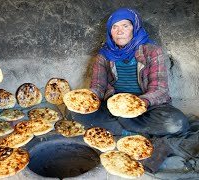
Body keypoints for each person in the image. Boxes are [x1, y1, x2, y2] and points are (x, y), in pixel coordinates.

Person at [66, 8, 192, 173]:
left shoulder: (152, 51)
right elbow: (98, 86)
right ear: (110, 31)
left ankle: (123, 129)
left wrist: (139, 104)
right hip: (114, 105)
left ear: (134, 27)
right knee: (75, 113)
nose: (120, 31)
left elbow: (159, 89)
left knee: (177, 123)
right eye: (115, 27)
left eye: (125, 26)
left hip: (148, 106)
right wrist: (88, 98)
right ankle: (138, 130)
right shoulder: (104, 54)